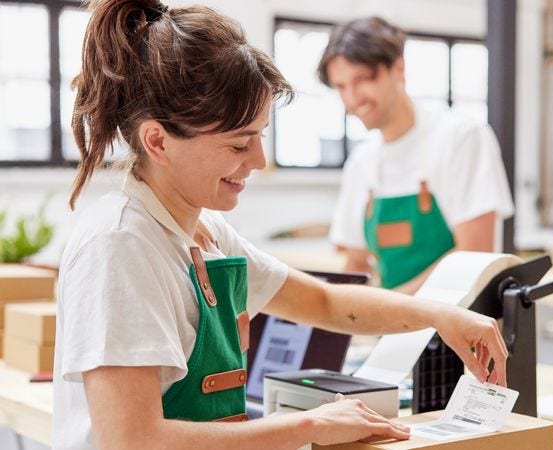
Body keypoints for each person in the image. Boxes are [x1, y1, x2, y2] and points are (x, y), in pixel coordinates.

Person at [54, 2, 509, 449]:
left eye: (261, 136)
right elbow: (133, 440)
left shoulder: (206, 232)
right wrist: (307, 427)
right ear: (158, 141)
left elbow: (325, 301)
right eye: (238, 145)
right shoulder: (120, 246)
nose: (259, 161)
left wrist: (439, 315)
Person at [319, 17, 515, 294]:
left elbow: (474, 254)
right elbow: (356, 264)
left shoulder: (461, 138)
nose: (352, 98)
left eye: (362, 79)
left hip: (457, 331)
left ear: (398, 69)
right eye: (341, 86)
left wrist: (393, 307)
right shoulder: (361, 163)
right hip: (389, 331)